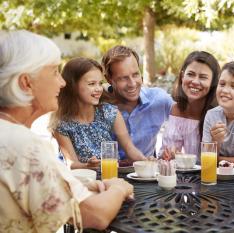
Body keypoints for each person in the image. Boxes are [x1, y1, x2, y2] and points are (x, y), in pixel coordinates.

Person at [0, 30, 134, 232]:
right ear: (26, 82)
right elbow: (95, 215)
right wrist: (119, 187)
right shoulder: (24, 144)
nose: (62, 83)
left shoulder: (10, 133)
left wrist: (80, 186)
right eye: (54, 72)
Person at [50, 57, 146, 171]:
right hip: (83, 180)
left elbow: (129, 149)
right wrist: (88, 166)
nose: (98, 89)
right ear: (73, 86)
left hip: (112, 175)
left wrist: (146, 162)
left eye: (100, 83)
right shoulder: (61, 123)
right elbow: (71, 164)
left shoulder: (109, 112)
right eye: (91, 84)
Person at [101, 45, 173, 159]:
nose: (132, 84)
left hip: (147, 171)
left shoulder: (158, 99)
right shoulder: (99, 107)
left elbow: (187, 115)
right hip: (109, 173)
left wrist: (173, 148)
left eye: (135, 75)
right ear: (109, 79)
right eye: (123, 78)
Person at [160, 51, 220, 161]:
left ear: (213, 82)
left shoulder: (218, 114)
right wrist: (170, 154)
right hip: (185, 175)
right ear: (182, 76)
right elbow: (167, 154)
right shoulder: (176, 109)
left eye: (203, 77)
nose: (195, 81)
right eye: (191, 74)